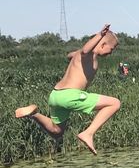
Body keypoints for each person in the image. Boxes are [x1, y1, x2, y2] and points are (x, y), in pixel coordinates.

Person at [13, 23, 121, 155]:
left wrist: (76, 56)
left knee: (56, 131)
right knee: (115, 103)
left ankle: (33, 114)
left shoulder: (79, 55)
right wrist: (101, 34)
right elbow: (86, 50)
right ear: (102, 44)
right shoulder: (89, 54)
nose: (111, 53)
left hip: (56, 95)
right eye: (112, 49)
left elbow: (70, 55)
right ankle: (88, 133)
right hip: (71, 95)